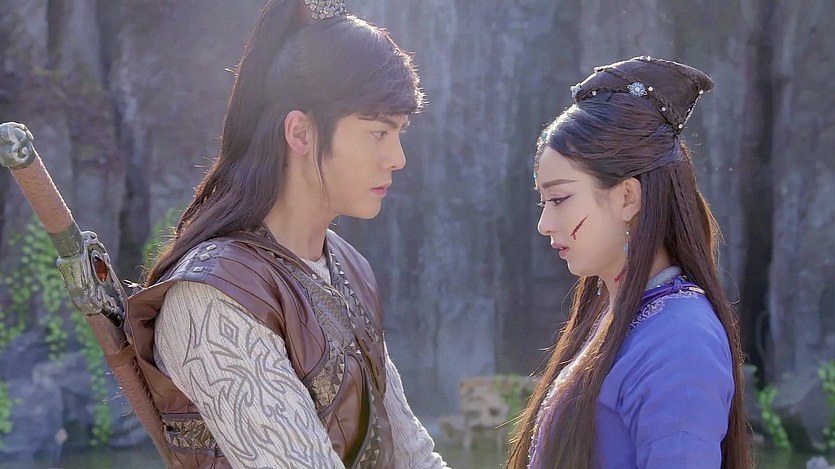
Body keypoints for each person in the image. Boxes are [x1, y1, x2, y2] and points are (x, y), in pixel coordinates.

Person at [125, 1, 448, 467]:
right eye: (379, 133)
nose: (398, 158)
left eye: (399, 132)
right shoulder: (213, 298)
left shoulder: (345, 264)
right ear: (301, 133)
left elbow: (412, 453)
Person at [507, 57, 752, 468]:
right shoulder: (618, 313)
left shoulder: (681, 340)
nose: (544, 223)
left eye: (560, 199)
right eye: (542, 201)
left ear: (627, 197)